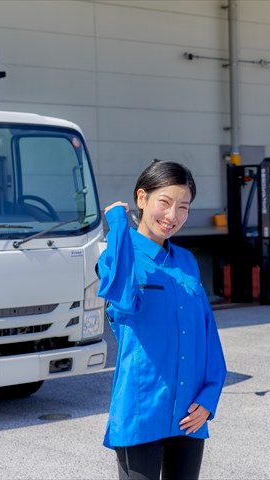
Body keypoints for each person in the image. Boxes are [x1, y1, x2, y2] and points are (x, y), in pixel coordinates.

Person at [98, 159, 227, 480]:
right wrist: (117, 225)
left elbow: (207, 333)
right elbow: (122, 296)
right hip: (143, 409)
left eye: (183, 207)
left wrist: (210, 396)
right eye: (165, 203)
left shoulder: (186, 260)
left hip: (189, 411)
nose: (173, 216)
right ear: (142, 199)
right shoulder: (117, 252)